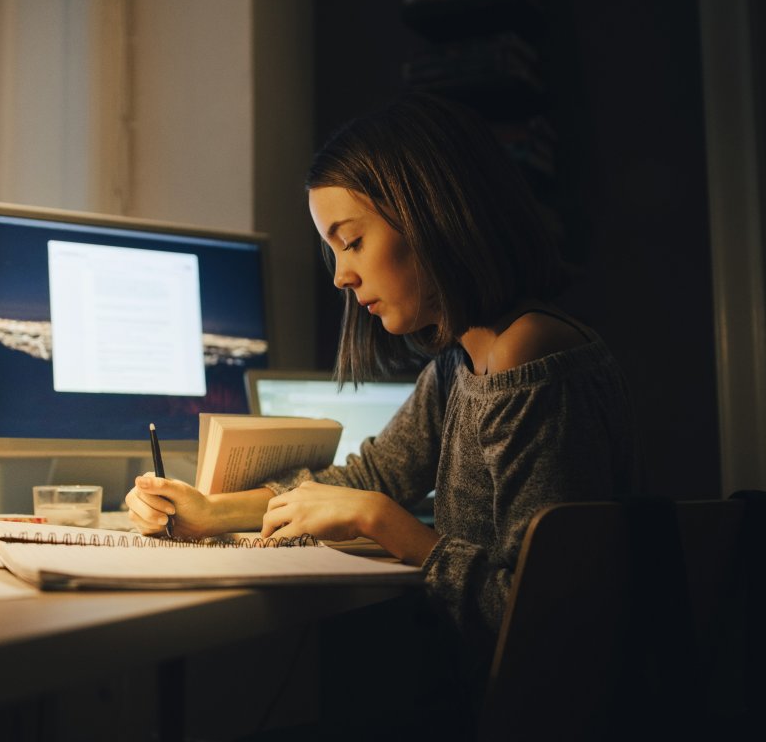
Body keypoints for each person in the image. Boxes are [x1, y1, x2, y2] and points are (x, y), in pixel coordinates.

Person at [124, 92, 638, 716]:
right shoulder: (459, 364)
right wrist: (211, 511)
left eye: (352, 241)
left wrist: (384, 522)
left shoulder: (530, 359)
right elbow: (368, 477)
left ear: (432, 214)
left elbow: (536, 615)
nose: (341, 275)